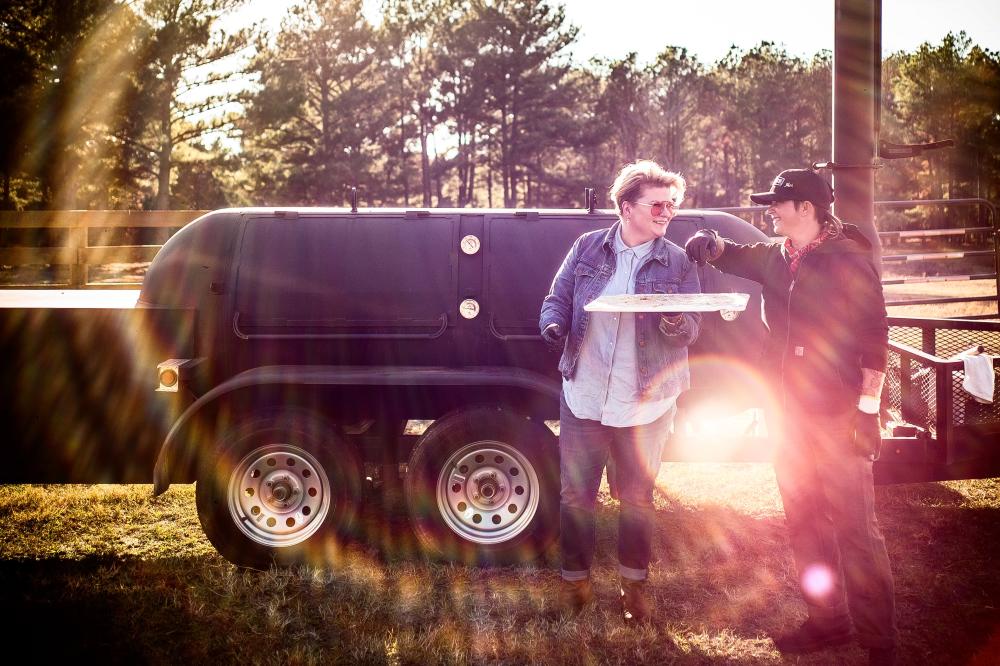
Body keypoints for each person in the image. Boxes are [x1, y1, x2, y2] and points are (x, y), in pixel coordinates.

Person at [685, 169, 897, 665]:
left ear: (806, 207)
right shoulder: (777, 256)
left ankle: (880, 643)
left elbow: (875, 337)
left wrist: (868, 412)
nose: (770, 211)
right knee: (805, 522)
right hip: (787, 417)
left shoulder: (849, 259)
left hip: (838, 416)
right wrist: (709, 242)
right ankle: (828, 622)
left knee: (856, 530)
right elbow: (733, 254)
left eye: (778, 203)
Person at [539, 160, 701, 623]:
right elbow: (557, 298)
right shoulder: (587, 248)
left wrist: (674, 321)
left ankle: (634, 587)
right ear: (627, 207)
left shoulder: (678, 260)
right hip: (585, 395)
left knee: (636, 498)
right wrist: (552, 326)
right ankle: (576, 583)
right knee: (576, 497)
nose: (667, 211)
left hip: (647, 402)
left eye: (672, 204)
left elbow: (692, 326)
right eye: (657, 204)